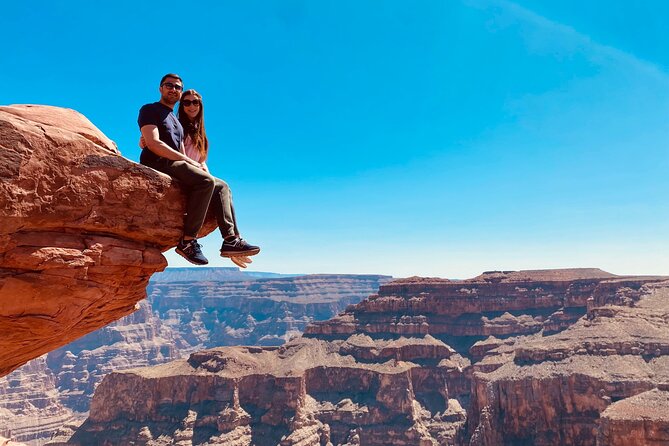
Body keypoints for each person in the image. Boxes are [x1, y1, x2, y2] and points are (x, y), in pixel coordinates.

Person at [138, 73, 260, 267]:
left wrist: (192, 165)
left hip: (174, 163)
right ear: (160, 88)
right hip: (158, 161)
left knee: (222, 186)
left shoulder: (175, 122)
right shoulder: (150, 109)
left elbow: (182, 151)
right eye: (169, 85)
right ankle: (187, 242)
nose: (173, 89)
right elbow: (153, 142)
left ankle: (231, 241)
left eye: (177, 87)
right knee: (206, 182)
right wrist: (188, 161)